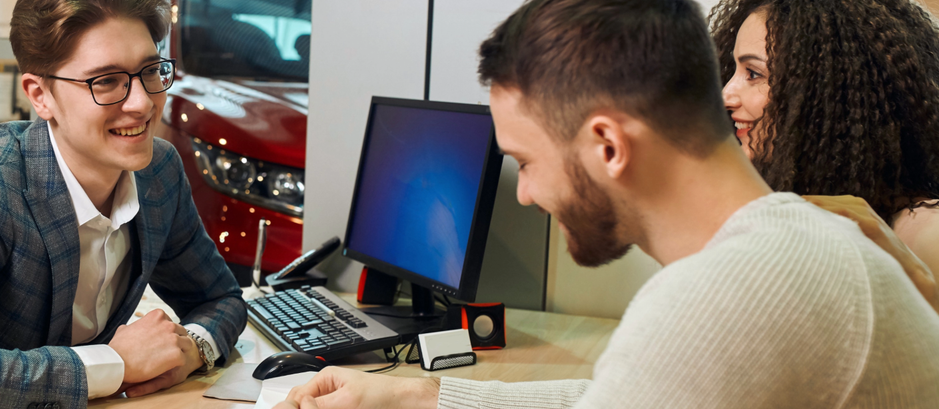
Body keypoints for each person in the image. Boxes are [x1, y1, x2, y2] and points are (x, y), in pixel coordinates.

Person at [276, 0, 939, 407]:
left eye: (526, 163)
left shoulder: (738, 285)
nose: (526, 194)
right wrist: (423, 395)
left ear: (607, 144)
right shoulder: (780, 244)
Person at [0, 0, 247, 407]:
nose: (143, 103)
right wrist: (116, 362)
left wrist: (192, 349)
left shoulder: (158, 171)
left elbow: (221, 299)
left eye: (149, 71)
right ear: (41, 96)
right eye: (106, 81)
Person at [713, 0, 939, 312]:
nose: (725, 94)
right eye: (734, 69)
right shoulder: (781, 203)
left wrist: (921, 290)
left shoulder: (925, 234)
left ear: (827, 93)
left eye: (753, 73)